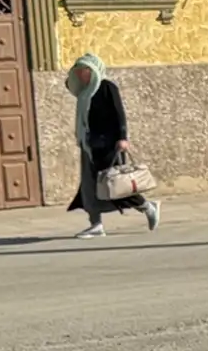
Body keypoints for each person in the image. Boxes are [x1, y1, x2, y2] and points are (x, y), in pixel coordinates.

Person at [65, 53, 159, 238]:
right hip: (89, 145)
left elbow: (119, 114)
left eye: (84, 71)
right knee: (89, 186)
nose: (81, 75)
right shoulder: (84, 93)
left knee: (115, 184)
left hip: (109, 144)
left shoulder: (107, 87)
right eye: (79, 72)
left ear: (93, 70)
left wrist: (123, 137)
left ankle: (147, 206)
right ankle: (96, 224)